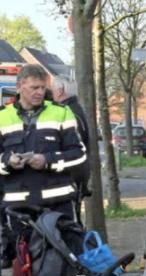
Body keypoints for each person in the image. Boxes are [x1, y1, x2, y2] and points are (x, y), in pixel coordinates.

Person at [0, 64, 87, 276]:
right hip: (20, 206)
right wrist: (8, 162)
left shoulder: (61, 113)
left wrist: (48, 160)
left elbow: (79, 154)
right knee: (27, 264)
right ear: (20, 87)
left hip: (58, 203)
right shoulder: (0, 118)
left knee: (65, 258)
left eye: (43, 88)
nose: (40, 93)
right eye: (34, 88)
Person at [51, 75, 93, 212]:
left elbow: (73, 149)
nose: (51, 93)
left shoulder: (67, 113)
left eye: (53, 89)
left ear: (60, 90)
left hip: (70, 176)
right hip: (78, 174)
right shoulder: (75, 109)